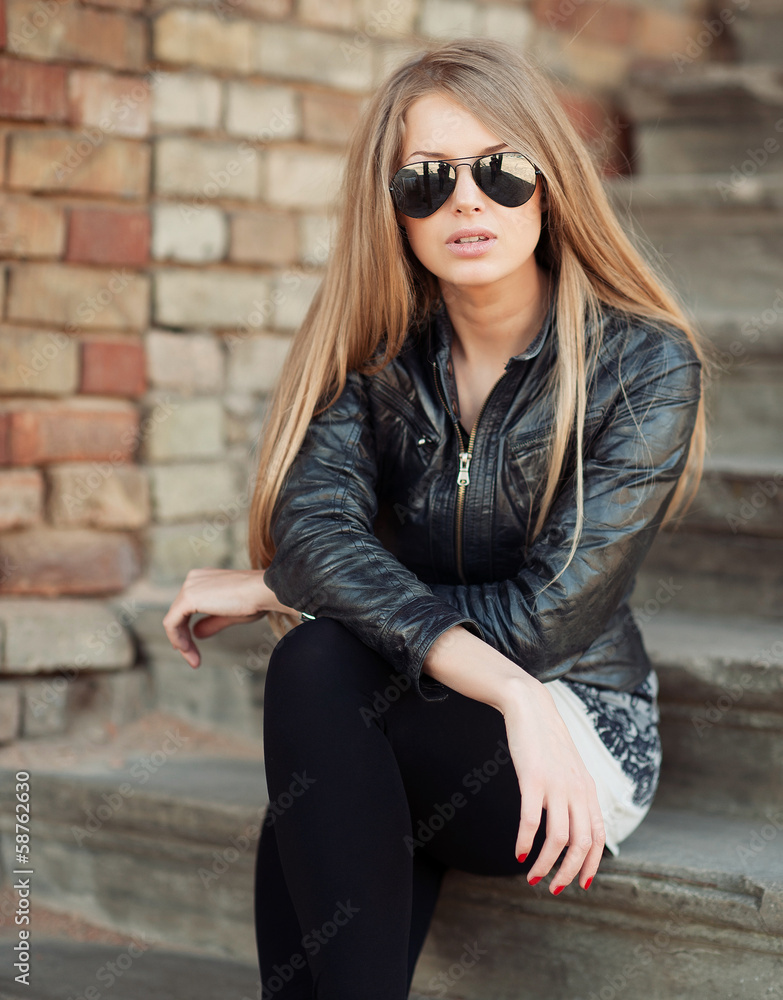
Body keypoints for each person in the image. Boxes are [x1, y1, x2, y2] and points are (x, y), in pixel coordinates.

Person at [163, 37, 713, 1000]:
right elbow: (316, 534)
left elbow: (544, 619)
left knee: (322, 681)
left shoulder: (643, 365)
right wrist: (504, 690)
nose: (467, 201)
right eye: (426, 181)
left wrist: (279, 585)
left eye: (501, 170)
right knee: (324, 685)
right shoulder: (371, 361)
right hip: (465, 700)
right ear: (393, 211)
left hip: (572, 729)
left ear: (548, 184)